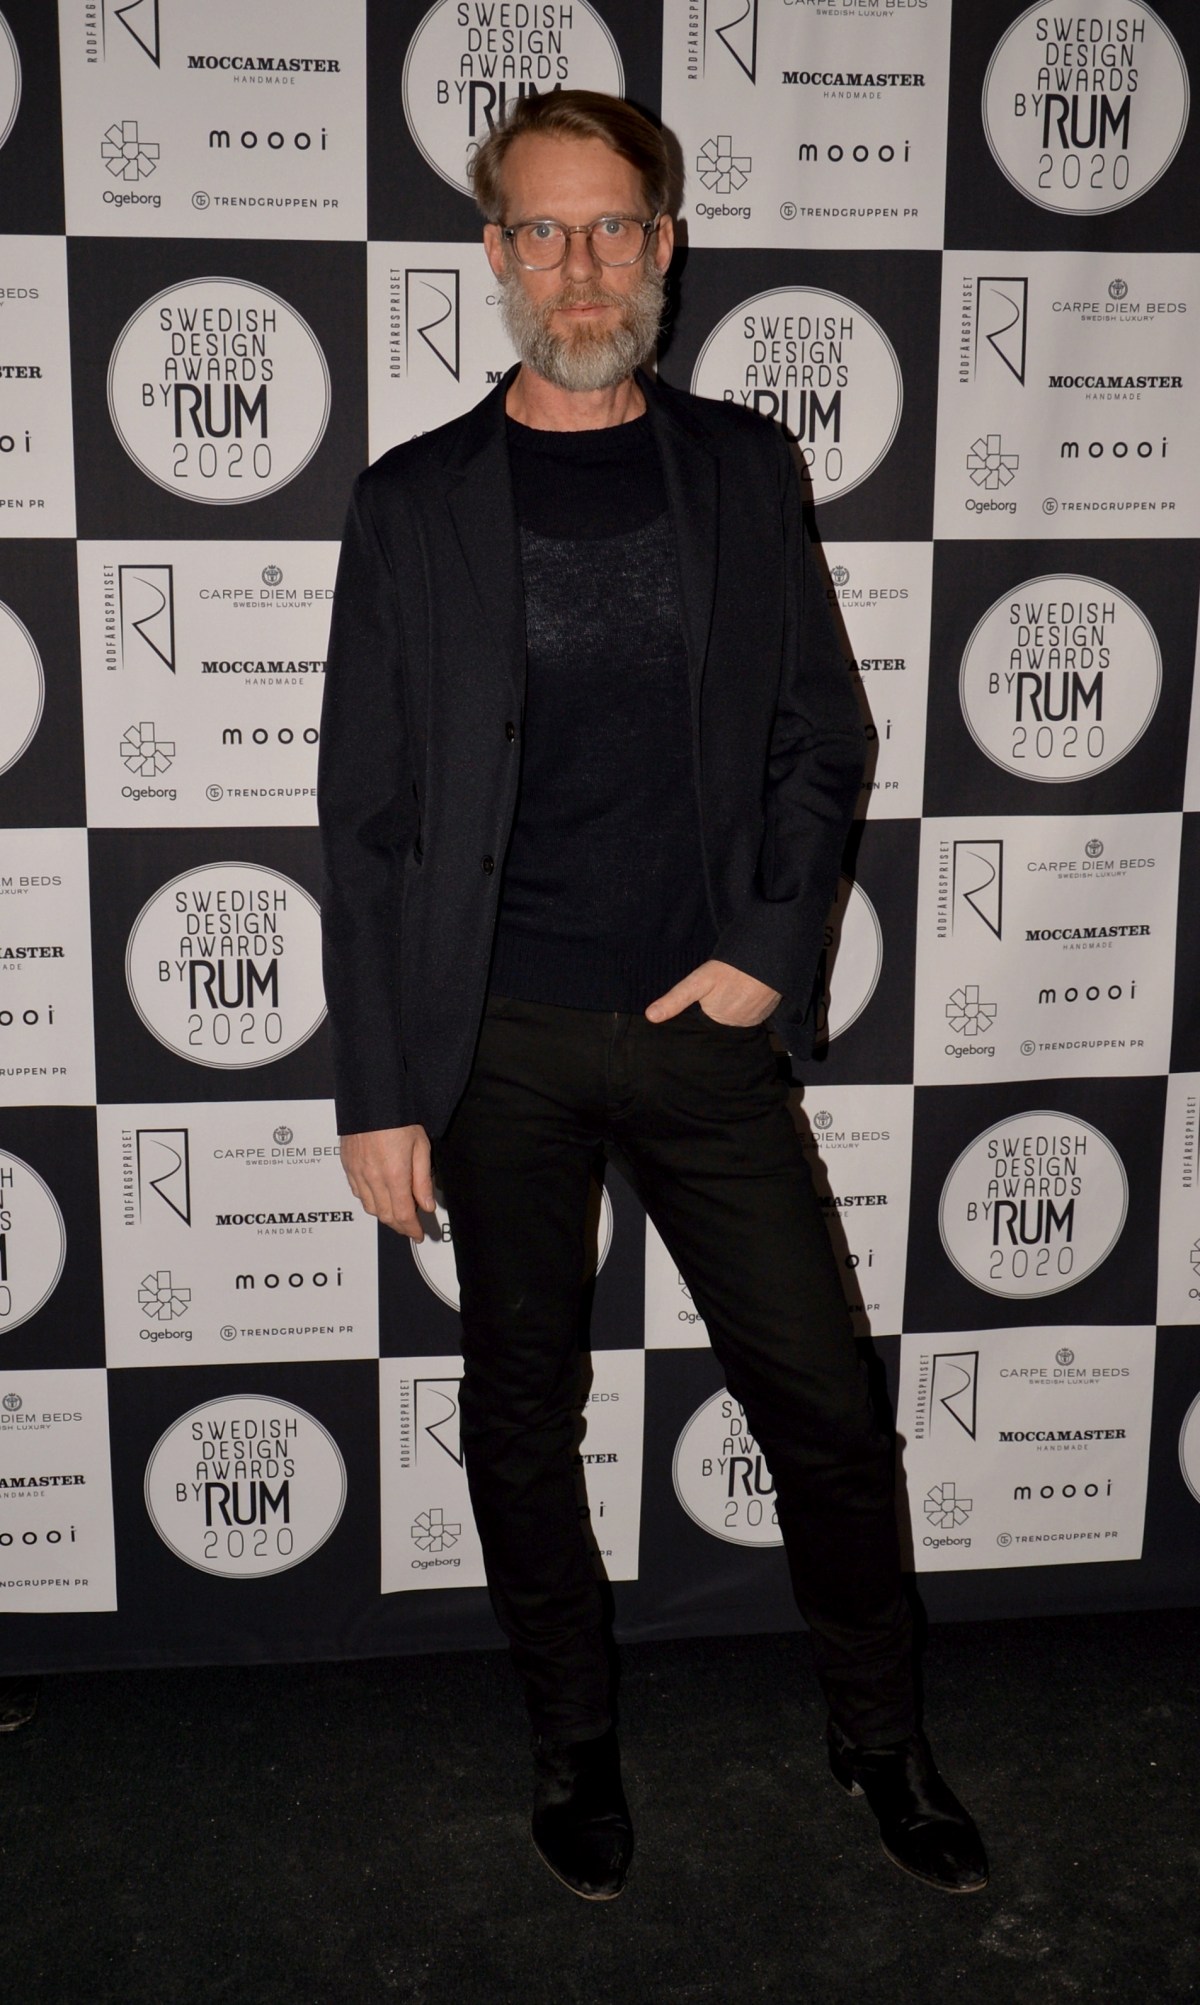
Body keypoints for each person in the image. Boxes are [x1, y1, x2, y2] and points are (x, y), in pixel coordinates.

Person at [316, 89, 987, 1903]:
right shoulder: (411, 504)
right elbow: (365, 819)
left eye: (612, 226)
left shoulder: (746, 470)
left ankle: (881, 1737)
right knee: (520, 1415)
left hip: (705, 1039)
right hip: (499, 1047)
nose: (581, 266)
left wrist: (772, 942)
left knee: (826, 1410)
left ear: (664, 245)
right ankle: (572, 1743)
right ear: (494, 255)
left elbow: (821, 737)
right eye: (542, 230)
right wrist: (377, 1089)